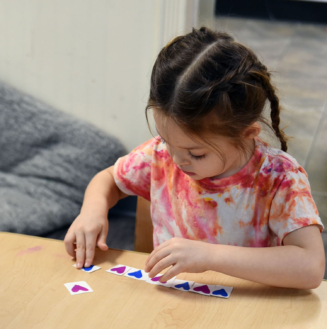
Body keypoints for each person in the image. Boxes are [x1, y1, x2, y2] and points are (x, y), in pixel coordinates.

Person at [64, 27, 325, 289]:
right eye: (167, 141)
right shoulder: (160, 155)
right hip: (173, 310)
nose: (177, 160)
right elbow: (108, 179)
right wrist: (92, 211)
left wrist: (210, 256)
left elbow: (311, 267)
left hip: (248, 313)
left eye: (196, 153)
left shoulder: (279, 177)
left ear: (247, 134)